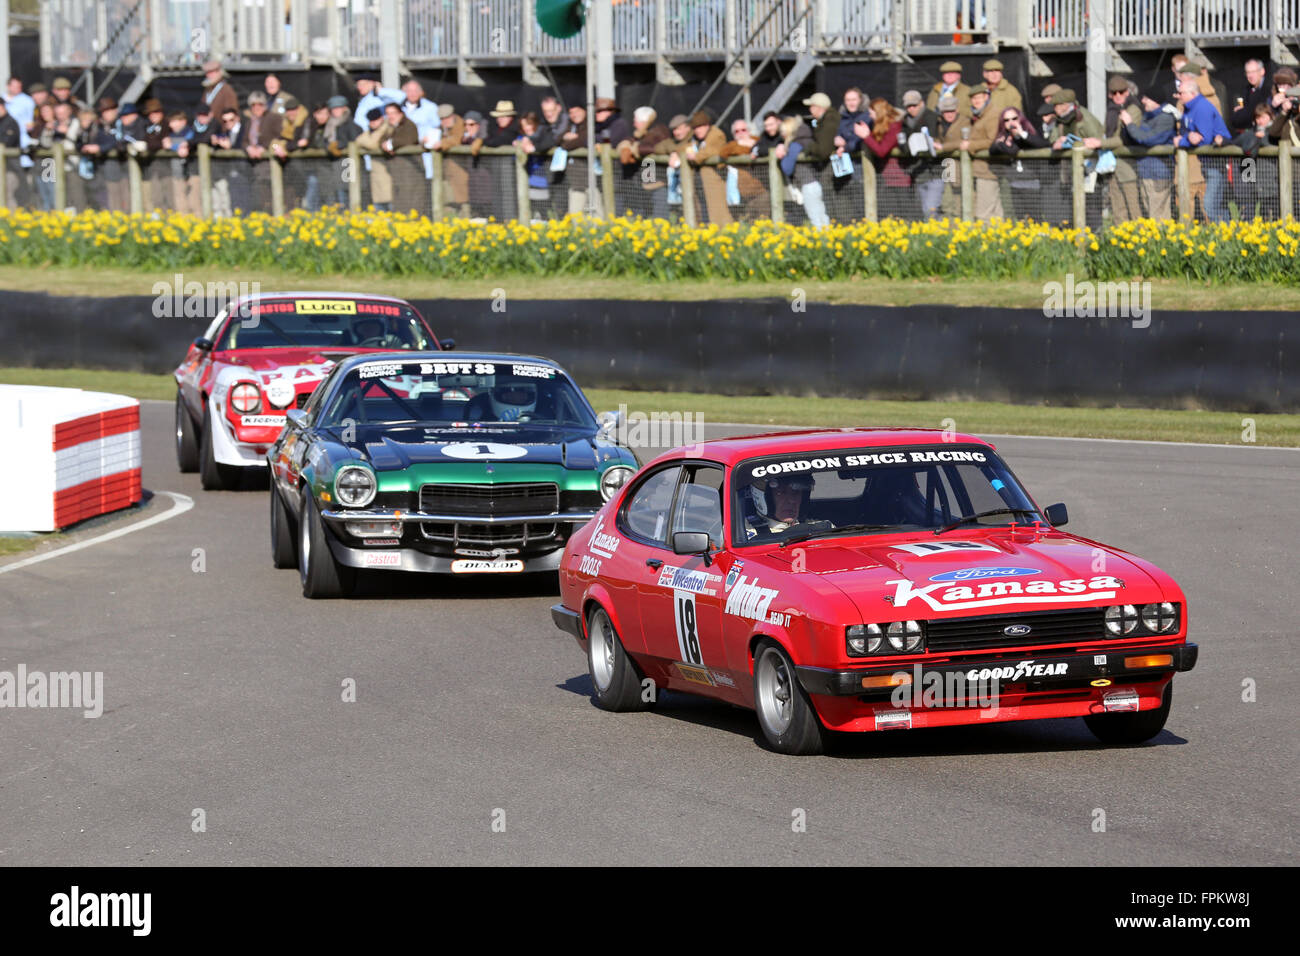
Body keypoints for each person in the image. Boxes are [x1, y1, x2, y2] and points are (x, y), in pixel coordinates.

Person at [1174, 70, 1231, 222]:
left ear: (1192, 93)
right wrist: (1188, 137)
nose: (1178, 96)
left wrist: (1182, 141)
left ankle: (1232, 232)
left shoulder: (1202, 107)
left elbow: (1204, 139)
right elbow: (1186, 131)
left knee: (1211, 205)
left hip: (1228, 161)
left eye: (1181, 93)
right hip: (1207, 163)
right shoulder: (1188, 108)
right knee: (1213, 205)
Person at [777, 92, 838, 228]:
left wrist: (782, 156)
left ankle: (822, 244)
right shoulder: (808, 138)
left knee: (816, 218)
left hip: (808, 185)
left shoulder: (795, 144)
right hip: (815, 184)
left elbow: (787, 168)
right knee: (822, 216)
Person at [1119, 90, 1177, 220]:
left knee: (1159, 215)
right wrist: (1126, 127)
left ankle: (1163, 239)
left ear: (1155, 101)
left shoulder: (1165, 118)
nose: (1143, 101)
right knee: (1149, 211)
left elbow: (1148, 139)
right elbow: (1136, 137)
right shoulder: (1148, 117)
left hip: (1159, 173)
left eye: (1146, 98)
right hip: (1145, 171)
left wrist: (1129, 124)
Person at [988, 107, 1049, 220]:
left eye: (1014, 118)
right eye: (1006, 120)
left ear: (1020, 118)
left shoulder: (1028, 134)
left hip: (1031, 184)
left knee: (1035, 218)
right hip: (1013, 184)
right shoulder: (1003, 136)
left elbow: (1042, 144)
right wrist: (1001, 144)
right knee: (1017, 219)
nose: (1011, 122)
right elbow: (998, 150)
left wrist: (1021, 133)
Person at [858, 97, 911, 217]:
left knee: (900, 216)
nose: (870, 116)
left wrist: (866, 136)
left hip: (899, 179)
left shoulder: (894, 126)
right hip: (888, 177)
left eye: (871, 113)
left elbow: (882, 150)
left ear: (878, 112)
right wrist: (868, 134)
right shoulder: (882, 126)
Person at [616, 105, 671, 219]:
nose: (634, 124)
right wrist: (625, 145)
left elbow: (652, 147)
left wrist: (635, 149)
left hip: (657, 182)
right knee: (640, 218)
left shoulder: (659, 131)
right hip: (643, 183)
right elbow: (631, 142)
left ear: (644, 121)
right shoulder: (640, 134)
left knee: (659, 218)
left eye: (636, 121)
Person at [1103, 76, 1143, 224]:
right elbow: (1108, 132)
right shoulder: (1112, 111)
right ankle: (1121, 241)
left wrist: (1100, 143)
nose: (1118, 96)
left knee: (1134, 209)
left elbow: (1122, 139)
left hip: (1129, 166)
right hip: (1113, 166)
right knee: (1118, 209)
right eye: (1114, 93)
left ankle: (1142, 241)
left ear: (1127, 92)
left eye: (1121, 92)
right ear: (1109, 94)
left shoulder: (1133, 108)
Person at [900, 89, 943, 219]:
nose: (911, 109)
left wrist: (913, 145)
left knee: (930, 209)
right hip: (917, 172)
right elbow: (903, 145)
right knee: (925, 208)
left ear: (921, 103)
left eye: (914, 105)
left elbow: (930, 142)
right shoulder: (905, 121)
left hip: (935, 170)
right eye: (908, 106)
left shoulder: (932, 117)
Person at [683, 110, 730, 225]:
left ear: (707, 125)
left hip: (713, 183)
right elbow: (683, 147)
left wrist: (696, 156)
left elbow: (712, 150)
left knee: (718, 214)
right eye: (695, 128)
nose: (698, 130)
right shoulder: (694, 138)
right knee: (700, 215)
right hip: (698, 183)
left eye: (701, 126)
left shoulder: (716, 134)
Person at [964, 83, 1002, 220]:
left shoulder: (992, 115)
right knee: (995, 213)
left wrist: (970, 145)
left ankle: (986, 240)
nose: (976, 101)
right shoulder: (979, 115)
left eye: (978, 97)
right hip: (981, 169)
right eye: (973, 98)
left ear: (986, 97)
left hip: (988, 170)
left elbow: (992, 140)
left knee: (983, 214)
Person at [380, 100, 425, 214]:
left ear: (400, 113)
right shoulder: (390, 127)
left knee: (413, 202)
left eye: (393, 113)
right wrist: (384, 146)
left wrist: (391, 145)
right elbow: (381, 140)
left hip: (411, 171)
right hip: (398, 171)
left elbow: (409, 139)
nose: (390, 116)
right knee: (400, 201)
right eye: (388, 113)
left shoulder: (409, 125)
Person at [743, 474, 815, 538]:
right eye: (781, 493)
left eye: (796, 493)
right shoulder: (744, 533)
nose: (792, 500)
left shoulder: (817, 529)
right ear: (765, 497)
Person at [1230, 59, 1271, 132]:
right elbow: (1235, 120)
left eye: (1253, 72)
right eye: (1248, 72)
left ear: (1262, 71)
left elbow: (1256, 111)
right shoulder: (1247, 89)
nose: (1250, 75)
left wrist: (1243, 111)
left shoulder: (1269, 88)